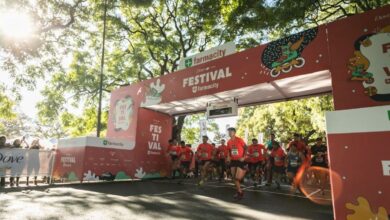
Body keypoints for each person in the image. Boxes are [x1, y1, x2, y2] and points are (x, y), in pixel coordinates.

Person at [226, 127, 247, 200]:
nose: (230, 133)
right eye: (229, 132)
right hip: (233, 161)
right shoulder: (228, 142)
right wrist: (228, 157)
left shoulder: (239, 140)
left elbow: (246, 148)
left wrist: (244, 157)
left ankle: (240, 192)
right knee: (234, 178)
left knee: (237, 178)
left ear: (234, 133)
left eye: (231, 132)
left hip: (240, 160)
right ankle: (239, 192)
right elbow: (228, 150)